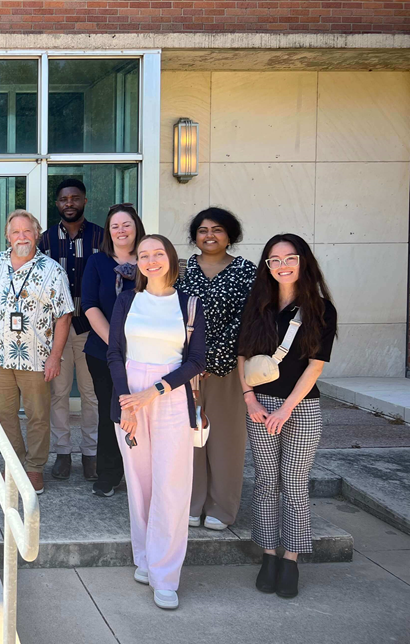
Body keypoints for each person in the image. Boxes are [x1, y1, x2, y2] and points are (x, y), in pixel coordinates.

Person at [108, 234, 206, 611]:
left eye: (158, 254)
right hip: (129, 396)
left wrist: (154, 392)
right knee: (140, 483)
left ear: (171, 259)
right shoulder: (127, 299)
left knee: (172, 485)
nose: (150, 261)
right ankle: (146, 559)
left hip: (170, 398)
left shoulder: (189, 304)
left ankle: (166, 575)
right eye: (144, 255)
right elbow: (115, 353)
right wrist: (126, 402)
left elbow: (196, 361)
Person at [237, 234, 337, 600]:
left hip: (302, 407)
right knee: (266, 482)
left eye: (289, 258)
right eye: (274, 260)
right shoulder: (258, 304)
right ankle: (268, 556)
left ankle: (291, 559)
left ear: (303, 260)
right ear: (267, 266)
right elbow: (243, 357)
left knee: (294, 484)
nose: (282, 265)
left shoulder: (321, 309)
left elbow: (315, 366)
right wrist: (250, 400)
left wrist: (286, 408)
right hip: (259, 405)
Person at [0, 210, 73, 496]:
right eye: (15, 232)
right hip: (0, 355)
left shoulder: (52, 270)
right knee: (3, 413)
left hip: (35, 357)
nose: (21, 236)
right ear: (8, 236)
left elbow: (64, 315)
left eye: (27, 231)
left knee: (37, 415)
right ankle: (15, 460)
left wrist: (55, 356)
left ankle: (34, 467)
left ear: (37, 234)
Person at [175, 207, 256, 531]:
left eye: (217, 229)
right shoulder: (181, 271)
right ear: (194, 236)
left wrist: (210, 357)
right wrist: (190, 360)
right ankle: (192, 504)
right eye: (203, 230)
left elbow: (247, 320)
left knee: (225, 440)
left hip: (227, 370)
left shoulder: (246, 272)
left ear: (230, 235)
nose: (210, 235)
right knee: (187, 439)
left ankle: (222, 508)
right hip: (183, 370)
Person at [37, 178, 105, 482]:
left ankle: (91, 454)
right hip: (58, 331)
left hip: (94, 329)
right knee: (59, 394)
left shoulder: (102, 237)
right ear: (57, 203)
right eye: (64, 199)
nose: (69, 203)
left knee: (91, 395)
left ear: (85, 201)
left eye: (75, 198)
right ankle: (62, 452)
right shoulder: (45, 240)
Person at [82, 204, 145, 498]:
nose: (121, 231)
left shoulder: (150, 261)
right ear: (108, 232)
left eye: (126, 225)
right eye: (115, 226)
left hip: (147, 354)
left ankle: (140, 474)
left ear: (137, 228)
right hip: (103, 352)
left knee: (144, 414)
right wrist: (115, 346)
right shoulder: (97, 262)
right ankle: (109, 473)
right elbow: (91, 305)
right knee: (113, 413)